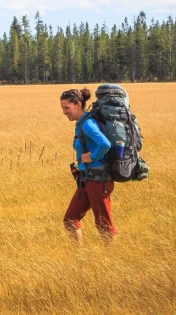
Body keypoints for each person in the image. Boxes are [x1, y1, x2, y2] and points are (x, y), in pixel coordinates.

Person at [60, 88, 116, 244]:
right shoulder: (81, 123)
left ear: (78, 104)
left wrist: (90, 156)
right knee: (70, 219)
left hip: (98, 180)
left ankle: (112, 259)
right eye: (62, 108)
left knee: (104, 225)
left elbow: (104, 144)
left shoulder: (87, 124)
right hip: (87, 180)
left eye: (67, 108)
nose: (64, 112)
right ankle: (78, 257)